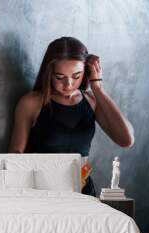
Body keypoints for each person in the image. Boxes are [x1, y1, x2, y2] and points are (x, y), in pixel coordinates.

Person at [8, 37, 134, 196]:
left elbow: (126, 139)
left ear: (86, 72)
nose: (68, 85)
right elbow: (15, 157)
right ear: (49, 73)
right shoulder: (31, 103)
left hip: (83, 191)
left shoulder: (91, 100)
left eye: (76, 76)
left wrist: (97, 87)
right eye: (60, 77)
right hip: (43, 193)